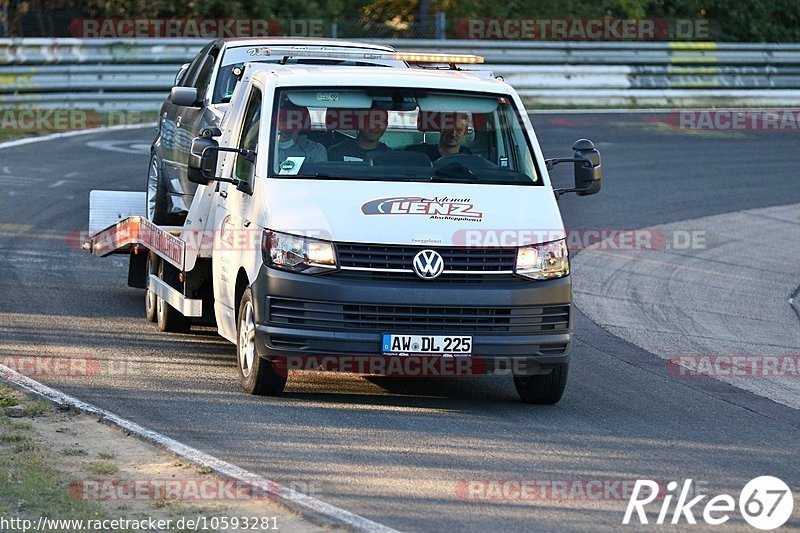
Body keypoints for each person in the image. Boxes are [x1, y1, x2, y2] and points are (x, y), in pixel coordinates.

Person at [327, 108, 391, 163]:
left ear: (386, 125)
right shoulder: (336, 152)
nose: (374, 128)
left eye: (379, 123)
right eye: (369, 122)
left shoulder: (391, 157)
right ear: (358, 122)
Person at [276, 102, 327, 167]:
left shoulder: (314, 150)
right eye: (279, 119)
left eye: (286, 120)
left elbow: (320, 174)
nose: (280, 125)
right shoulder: (263, 148)